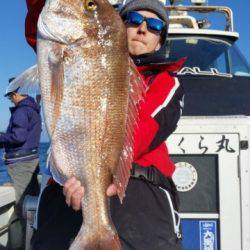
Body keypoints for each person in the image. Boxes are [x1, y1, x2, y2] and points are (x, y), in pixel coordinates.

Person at [25, 0, 185, 249]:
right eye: (133, 20)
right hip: (65, 187)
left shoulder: (166, 82)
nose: (142, 28)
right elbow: (47, 19)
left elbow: (142, 132)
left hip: (137, 194)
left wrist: (95, 184)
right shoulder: (67, 39)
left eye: (154, 25)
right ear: (117, 27)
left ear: (161, 41)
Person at [0, 82, 42, 250]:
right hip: (30, 163)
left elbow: (18, 136)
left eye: (11, 96)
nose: (11, 99)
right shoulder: (33, 109)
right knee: (30, 206)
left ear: (17, 93)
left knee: (19, 212)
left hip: (21, 166)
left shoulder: (21, 111)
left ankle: (17, 247)